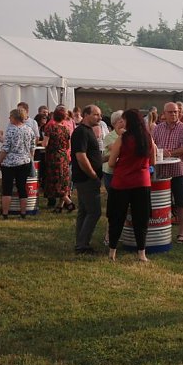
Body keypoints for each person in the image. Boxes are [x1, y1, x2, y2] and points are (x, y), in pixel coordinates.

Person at [107, 109, 156, 262]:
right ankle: (142, 253)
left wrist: (122, 165)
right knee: (141, 219)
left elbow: (110, 162)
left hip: (121, 182)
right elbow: (152, 162)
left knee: (117, 217)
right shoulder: (148, 138)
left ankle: (112, 252)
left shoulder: (122, 139)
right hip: (142, 182)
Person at [153, 102, 183, 243]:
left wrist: (169, 153)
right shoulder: (157, 129)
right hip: (161, 172)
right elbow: (152, 146)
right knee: (161, 202)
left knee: (181, 202)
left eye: (176, 112)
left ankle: (182, 233)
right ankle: (161, 230)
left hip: (178, 171)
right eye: (170, 112)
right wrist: (158, 152)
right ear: (164, 113)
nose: (174, 114)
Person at [71, 105, 103, 254]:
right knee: (94, 212)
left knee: (84, 211)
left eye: (100, 115)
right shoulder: (81, 132)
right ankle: (82, 245)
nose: (99, 117)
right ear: (85, 115)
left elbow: (92, 156)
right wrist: (93, 175)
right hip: (86, 179)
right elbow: (81, 157)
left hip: (87, 178)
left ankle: (81, 242)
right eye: (96, 114)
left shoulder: (89, 131)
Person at [0, 108, 36, 219]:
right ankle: (23, 213)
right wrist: (30, 157)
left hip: (10, 163)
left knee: (7, 188)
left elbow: (5, 148)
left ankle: (5, 213)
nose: (9, 118)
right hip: (25, 161)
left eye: (10, 116)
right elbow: (32, 147)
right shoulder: (29, 129)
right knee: (22, 187)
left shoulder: (11, 130)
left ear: (14, 118)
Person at [42, 106, 74, 212]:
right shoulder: (66, 128)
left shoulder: (50, 127)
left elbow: (45, 143)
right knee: (63, 181)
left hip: (53, 157)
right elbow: (68, 145)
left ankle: (69, 203)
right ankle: (60, 206)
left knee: (55, 182)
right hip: (64, 156)